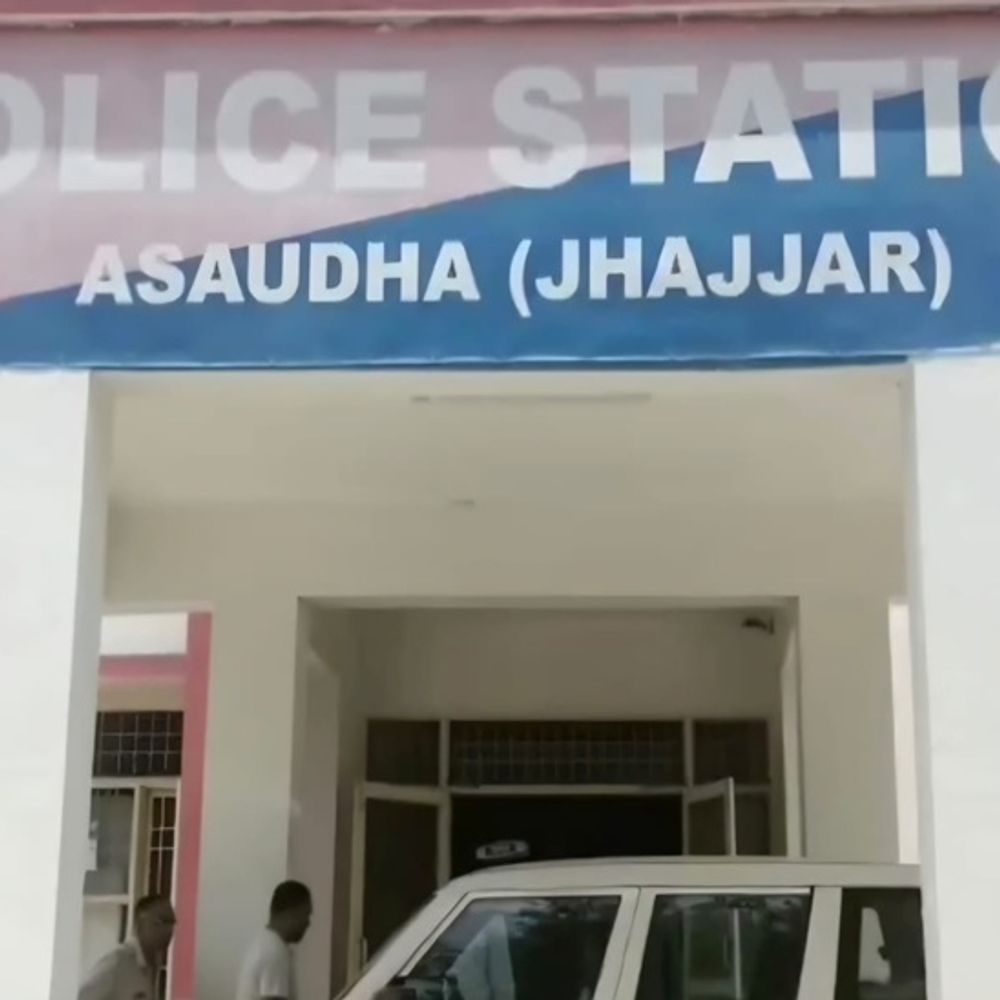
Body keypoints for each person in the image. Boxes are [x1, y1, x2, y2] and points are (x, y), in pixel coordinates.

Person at [79, 895, 176, 1000]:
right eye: (162, 921)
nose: (168, 930)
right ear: (140, 924)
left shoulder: (150, 968)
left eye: (172, 923)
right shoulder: (118, 963)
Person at [236, 880, 313, 1000]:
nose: (308, 923)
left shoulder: (266, 943)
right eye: (306, 914)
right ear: (291, 913)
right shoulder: (274, 951)